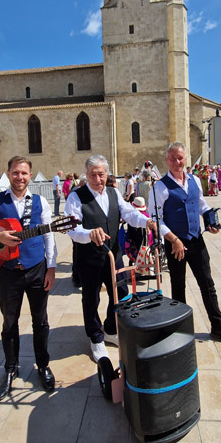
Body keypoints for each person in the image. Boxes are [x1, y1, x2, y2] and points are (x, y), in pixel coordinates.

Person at [0, 156, 57, 399]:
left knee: (41, 320)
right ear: (8, 173)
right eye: (16, 172)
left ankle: (43, 365)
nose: (20, 177)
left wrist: (51, 267)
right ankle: (10, 368)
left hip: (37, 268)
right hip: (8, 272)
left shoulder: (40, 202)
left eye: (24, 173)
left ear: (30, 175)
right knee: (9, 322)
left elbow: (49, 236)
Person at [149, 142, 221, 347]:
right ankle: (180, 331)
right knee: (178, 286)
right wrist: (173, 239)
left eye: (180, 158)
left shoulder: (194, 180)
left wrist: (210, 221)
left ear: (186, 159)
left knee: (207, 284)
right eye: (173, 158)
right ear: (166, 160)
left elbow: (201, 204)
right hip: (175, 243)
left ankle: (218, 327)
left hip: (195, 240)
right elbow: (155, 218)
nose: (177, 162)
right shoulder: (159, 186)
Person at [64, 155, 157, 362]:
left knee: (121, 293)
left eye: (101, 174)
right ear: (87, 176)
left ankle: (109, 328)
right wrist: (88, 234)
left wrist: (146, 221)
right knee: (91, 298)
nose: (98, 179)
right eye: (93, 175)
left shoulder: (114, 193)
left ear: (107, 174)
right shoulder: (76, 197)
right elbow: (72, 228)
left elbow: (129, 214)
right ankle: (95, 337)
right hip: (89, 258)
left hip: (114, 256)